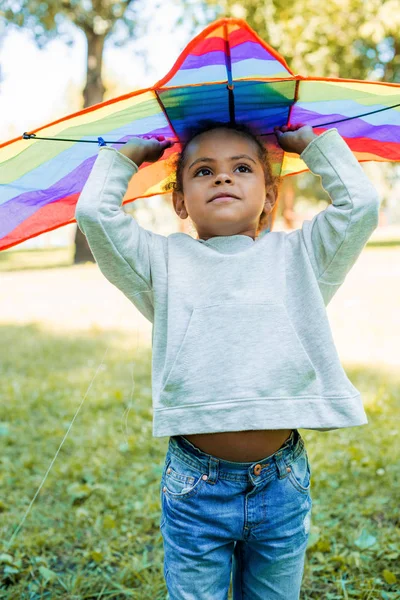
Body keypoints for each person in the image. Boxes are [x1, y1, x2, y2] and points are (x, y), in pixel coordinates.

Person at [75, 121, 380, 599]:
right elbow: (94, 214)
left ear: (270, 193)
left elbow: (360, 206)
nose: (223, 178)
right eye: (203, 171)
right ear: (179, 201)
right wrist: (126, 159)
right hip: (196, 485)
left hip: (282, 481)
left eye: (241, 168)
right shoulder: (161, 263)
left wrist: (313, 146)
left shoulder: (302, 256)